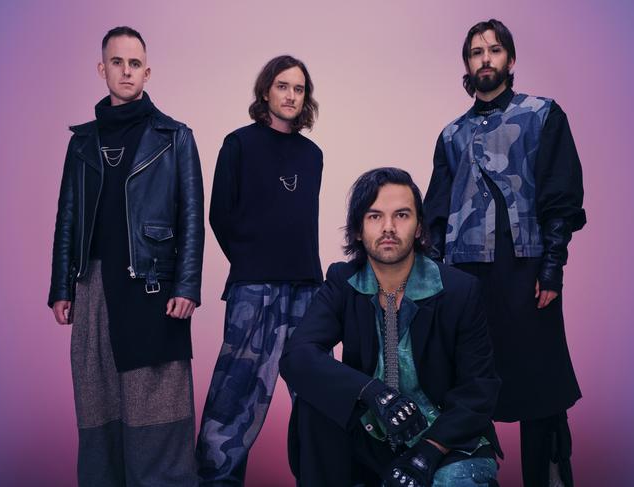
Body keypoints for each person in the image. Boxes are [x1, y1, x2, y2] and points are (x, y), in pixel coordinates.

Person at [422, 19, 586, 487]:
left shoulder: (542, 115)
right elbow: (435, 214)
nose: (485, 58)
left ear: (510, 61)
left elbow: (561, 196)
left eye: (494, 50)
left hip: (527, 269)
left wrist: (552, 268)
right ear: (468, 66)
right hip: (466, 277)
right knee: (469, 384)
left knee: (542, 388)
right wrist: (436, 279)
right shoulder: (451, 135)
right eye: (476, 52)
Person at [48, 26, 204, 487]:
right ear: (102, 69)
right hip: (92, 285)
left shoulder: (175, 136)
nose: (126, 71)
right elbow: (67, 220)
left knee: (157, 399)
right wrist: (61, 287)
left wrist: (187, 286)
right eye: (117, 62)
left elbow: (191, 216)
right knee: (98, 398)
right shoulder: (81, 143)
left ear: (147, 71)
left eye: (135, 63)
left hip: (154, 286)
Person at [280, 167, 501, 487]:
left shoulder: (460, 290)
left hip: (443, 441)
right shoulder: (343, 281)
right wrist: (374, 393)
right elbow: (298, 356)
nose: (388, 227)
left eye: (401, 215)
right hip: (372, 436)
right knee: (315, 398)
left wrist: (427, 453)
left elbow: (479, 391)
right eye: (374, 216)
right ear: (358, 229)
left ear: (419, 227)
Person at [195, 55, 323, 486]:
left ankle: (320, 475)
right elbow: (219, 215)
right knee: (236, 396)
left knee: (315, 396)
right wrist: (250, 260)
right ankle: (216, 479)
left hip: (306, 288)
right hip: (255, 289)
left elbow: (304, 223)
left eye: (299, 88)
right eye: (283, 86)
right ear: (266, 91)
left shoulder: (312, 155)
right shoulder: (239, 144)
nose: (290, 95)